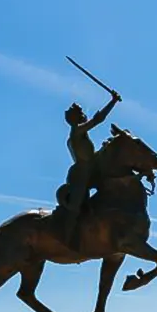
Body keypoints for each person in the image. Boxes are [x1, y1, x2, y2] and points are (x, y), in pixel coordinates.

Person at [59, 90, 121, 249]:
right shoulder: (77, 131)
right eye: (80, 113)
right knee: (76, 206)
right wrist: (112, 102)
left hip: (90, 172)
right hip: (80, 175)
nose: (82, 115)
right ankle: (68, 238)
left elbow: (91, 157)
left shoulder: (79, 133)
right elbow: (98, 119)